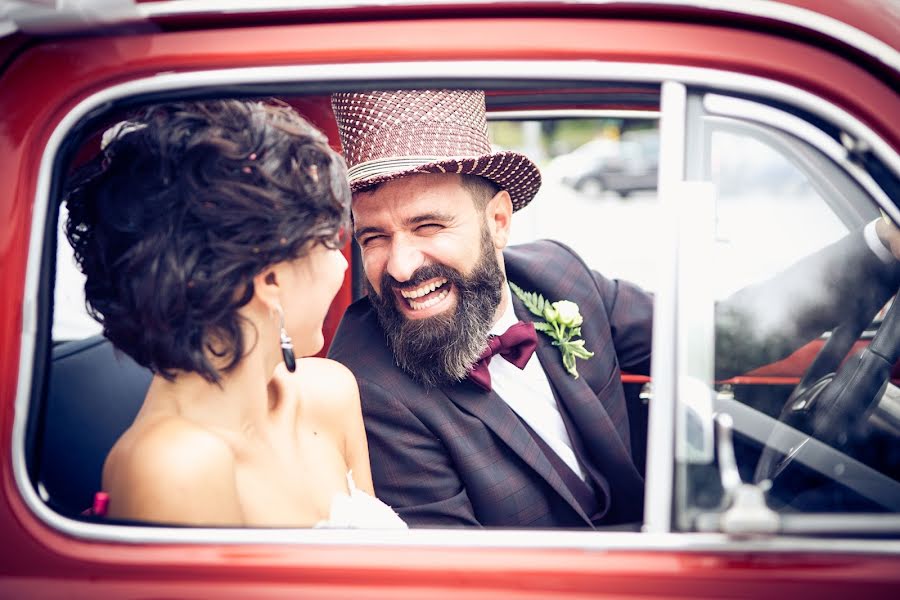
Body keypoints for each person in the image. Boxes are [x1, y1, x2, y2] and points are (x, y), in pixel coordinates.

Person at [326, 88, 900, 528]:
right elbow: (462, 578)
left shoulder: (556, 276)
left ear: (498, 222)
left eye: (428, 225)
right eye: (374, 237)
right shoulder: (369, 381)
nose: (400, 267)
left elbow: (724, 336)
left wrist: (882, 246)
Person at [64, 99, 406, 528]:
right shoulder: (173, 468)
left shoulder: (330, 392)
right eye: (330, 243)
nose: (343, 265)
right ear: (271, 280)